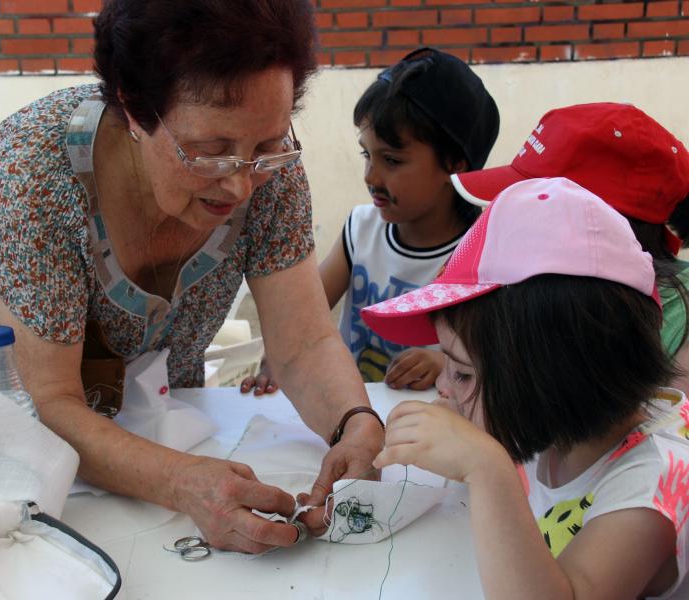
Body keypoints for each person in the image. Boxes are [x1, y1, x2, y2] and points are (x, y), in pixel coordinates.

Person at [0, 0, 385, 552]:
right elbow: (51, 403)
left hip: (137, 431)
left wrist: (352, 421)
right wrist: (182, 482)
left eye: (267, 145)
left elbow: (305, 343)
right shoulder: (29, 171)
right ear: (132, 108)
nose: (241, 185)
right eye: (210, 152)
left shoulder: (266, 171)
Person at [363, 177, 689, 599]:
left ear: (550, 379)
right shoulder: (551, 424)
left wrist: (486, 468)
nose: (443, 387)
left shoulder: (653, 485)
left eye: (462, 373)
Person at [241, 47, 499, 395]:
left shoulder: (483, 254)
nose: (371, 176)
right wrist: (276, 361)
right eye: (367, 154)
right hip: (349, 412)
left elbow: (498, 365)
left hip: (433, 427)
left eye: (392, 160)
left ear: (454, 164)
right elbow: (301, 322)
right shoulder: (361, 230)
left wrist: (447, 365)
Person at [450, 102, 689, 391]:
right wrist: (460, 364)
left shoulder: (679, 321)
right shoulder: (540, 284)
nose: (508, 222)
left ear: (602, 224)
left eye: (533, 208)